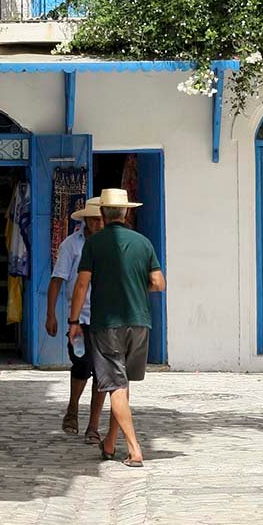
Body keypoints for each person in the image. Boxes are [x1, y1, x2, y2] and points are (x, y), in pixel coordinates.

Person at [69, 187, 165, 468]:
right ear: (127, 212)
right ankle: (110, 443)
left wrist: (73, 321)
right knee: (121, 385)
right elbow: (159, 283)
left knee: (116, 385)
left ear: (102, 213)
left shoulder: (94, 244)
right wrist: (137, 286)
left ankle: (135, 449)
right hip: (140, 322)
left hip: (107, 324)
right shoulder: (143, 243)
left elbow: (82, 284)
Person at [46, 197, 106, 441]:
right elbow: (57, 279)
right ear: (85, 220)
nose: (98, 223)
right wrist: (51, 314)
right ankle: (73, 406)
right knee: (82, 364)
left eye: (101, 219)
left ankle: (93, 425)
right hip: (79, 318)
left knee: (102, 372)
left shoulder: (110, 245)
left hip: (105, 318)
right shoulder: (71, 245)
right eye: (93, 219)